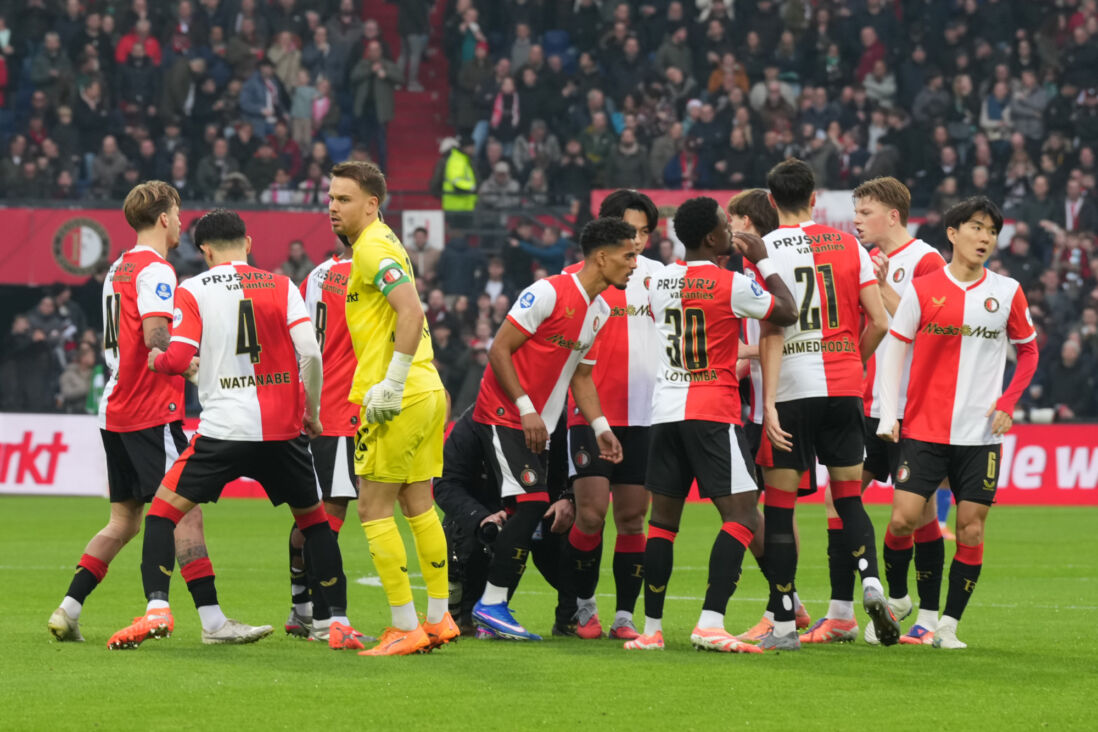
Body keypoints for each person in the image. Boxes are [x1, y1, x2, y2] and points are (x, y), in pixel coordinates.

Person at [107, 208, 362, 651]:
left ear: (204, 251)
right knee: (316, 524)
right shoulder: (282, 285)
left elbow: (177, 351)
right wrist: (312, 412)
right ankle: (334, 622)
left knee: (163, 514)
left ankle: (157, 609)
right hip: (282, 432)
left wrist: (159, 361)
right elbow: (312, 354)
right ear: (249, 242)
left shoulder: (193, 289)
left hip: (222, 431)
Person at [48, 182, 269, 647]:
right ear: (165, 218)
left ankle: (68, 608)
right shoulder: (157, 270)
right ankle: (210, 622)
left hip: (115, 408)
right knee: (184, 513)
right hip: (151, 410)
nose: (183, 221)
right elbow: (155, 336)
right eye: (178, 212)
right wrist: (197, 368)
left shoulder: (117, 268)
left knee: (123, 521)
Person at [623, 197, 797, 653]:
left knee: (662, 523)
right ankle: (710, 622)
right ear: (713, 238)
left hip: (665, 413)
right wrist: (763, 259)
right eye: (724, 225)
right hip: (712, 412)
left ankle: (652, 630)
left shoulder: (659, 281)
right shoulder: (733, 284)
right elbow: (787, 310)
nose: (730, 230)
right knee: (741, 515)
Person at [876, 196, 1039, 649]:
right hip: (924, 428)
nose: (985, 237)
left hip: (980, 434)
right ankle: (898, 598)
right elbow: (895, 349)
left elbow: (1029, 350)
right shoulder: (924, 289)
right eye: (976, 227)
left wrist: (1008, 400)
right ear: (953, 233)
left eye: (991, 231)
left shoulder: (1007, 291)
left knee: (970, 527)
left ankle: (947, 624)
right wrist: (890, 414)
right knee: (904, 519)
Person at [753, 159, 896, 650]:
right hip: (843, 388)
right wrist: (850, 363)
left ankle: (785, 624)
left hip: (792, 388)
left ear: (771, 203)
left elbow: (770, 329)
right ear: (814, 199)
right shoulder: (851, 245)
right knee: (849, 497)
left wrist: (767, 403)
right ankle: (871, 581)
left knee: (779, 507)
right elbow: (879, 321)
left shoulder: (765, 251)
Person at [469, 217, 634, 641]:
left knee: (528, 509)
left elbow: (581, 377)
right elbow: (499, 348)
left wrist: (600, 427)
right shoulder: (546, 292)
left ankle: (491, 606)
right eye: (628, 255)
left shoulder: (599, 310)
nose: (635, 264)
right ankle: (490, 604)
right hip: (505, 414)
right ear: (602, 256)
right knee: (530, 506)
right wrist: (526, 408)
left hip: (538, 425)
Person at [328, 161, 456, 655]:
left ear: (371, 204)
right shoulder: (385, 241)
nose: (333, 208)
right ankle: (439, 620)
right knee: (418, 505)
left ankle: (404, 627)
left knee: (372, 507)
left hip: (397, 396)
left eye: (343, 199)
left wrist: (393, 382)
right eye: (332, 198)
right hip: (426, 390)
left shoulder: (373, 246)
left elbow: (411, 310)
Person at [559, 190, 663, 640]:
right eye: (629, 231)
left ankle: (624, 615)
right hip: (590, 411)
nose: (636, 242)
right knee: (591, 514)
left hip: (645, 413)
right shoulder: (575, 280)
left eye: (644, 232)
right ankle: (583, 607)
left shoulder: (661, 278)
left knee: (633, 519)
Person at [850, 177, 950, 646]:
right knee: (841, 497)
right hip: (872, 402)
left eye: (865, 212)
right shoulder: (864, 260)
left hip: (911, 407)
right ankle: (867, 601)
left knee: (914, 516)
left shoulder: (925, 259)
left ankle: (918, 610)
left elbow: (929, 326)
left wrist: (885, 284)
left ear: (892, 215)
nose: (857, 220)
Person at [724, 190, 812, 643]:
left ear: (745, 223)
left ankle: (786, 602)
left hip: (776, 405)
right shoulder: (753, 269)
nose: (726, 230)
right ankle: (788, 601)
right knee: (756, 509)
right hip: (763, 404)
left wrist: (733, 352)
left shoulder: (769, 267)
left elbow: (785, 334)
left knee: (772, 510)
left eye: (730, 221)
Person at [435, 406, 577, 637]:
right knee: (472, 531)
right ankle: (469, 610)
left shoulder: (557, 421)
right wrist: (480, 516)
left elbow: (581, 470)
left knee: (585, 524)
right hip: (489, 512)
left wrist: (569, 498)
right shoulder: (472, 425)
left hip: (545, 510)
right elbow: (445, 483)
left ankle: (573, 614)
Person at [284, 238, 363, 641]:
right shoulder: (365, 274)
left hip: (315, 403)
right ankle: (323, 616)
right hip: (339, 408)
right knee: (327, 514)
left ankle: (301, 606)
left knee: (311, 512)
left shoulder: (316, 274)